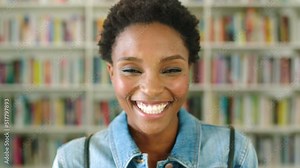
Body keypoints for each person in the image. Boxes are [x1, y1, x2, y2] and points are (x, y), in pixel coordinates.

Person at [52, 0, 258, 167]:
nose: (151, 89)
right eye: (131, 70)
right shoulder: (74, 160)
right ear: (111, 73)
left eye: (171, 70)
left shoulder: (233, 153)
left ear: (189, 70)